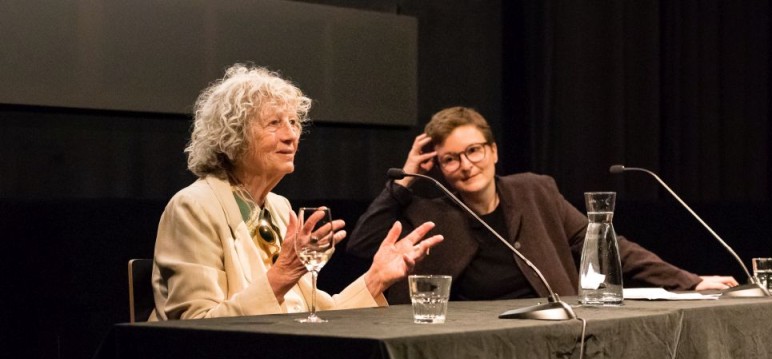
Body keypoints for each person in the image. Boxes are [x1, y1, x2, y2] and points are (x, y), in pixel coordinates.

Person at [346, 106, 737, 304]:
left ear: (493, 151)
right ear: (439, 167)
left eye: (474, 151)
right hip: (473, 343)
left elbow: (607, 245)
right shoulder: (429, 212)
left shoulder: (535, 192)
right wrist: (405, 178)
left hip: (553, 329)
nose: (466, 165)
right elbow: (363, 244)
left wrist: (690, 281)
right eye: (451, 159)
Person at [151, 64, 442, 320]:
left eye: (293, 123)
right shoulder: (194, 206)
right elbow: (195, 324)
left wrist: (376, 278)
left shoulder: (277, 208)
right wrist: (283, 274)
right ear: (233, 135)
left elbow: (315, 314)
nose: (291, 135)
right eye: (274, 123)